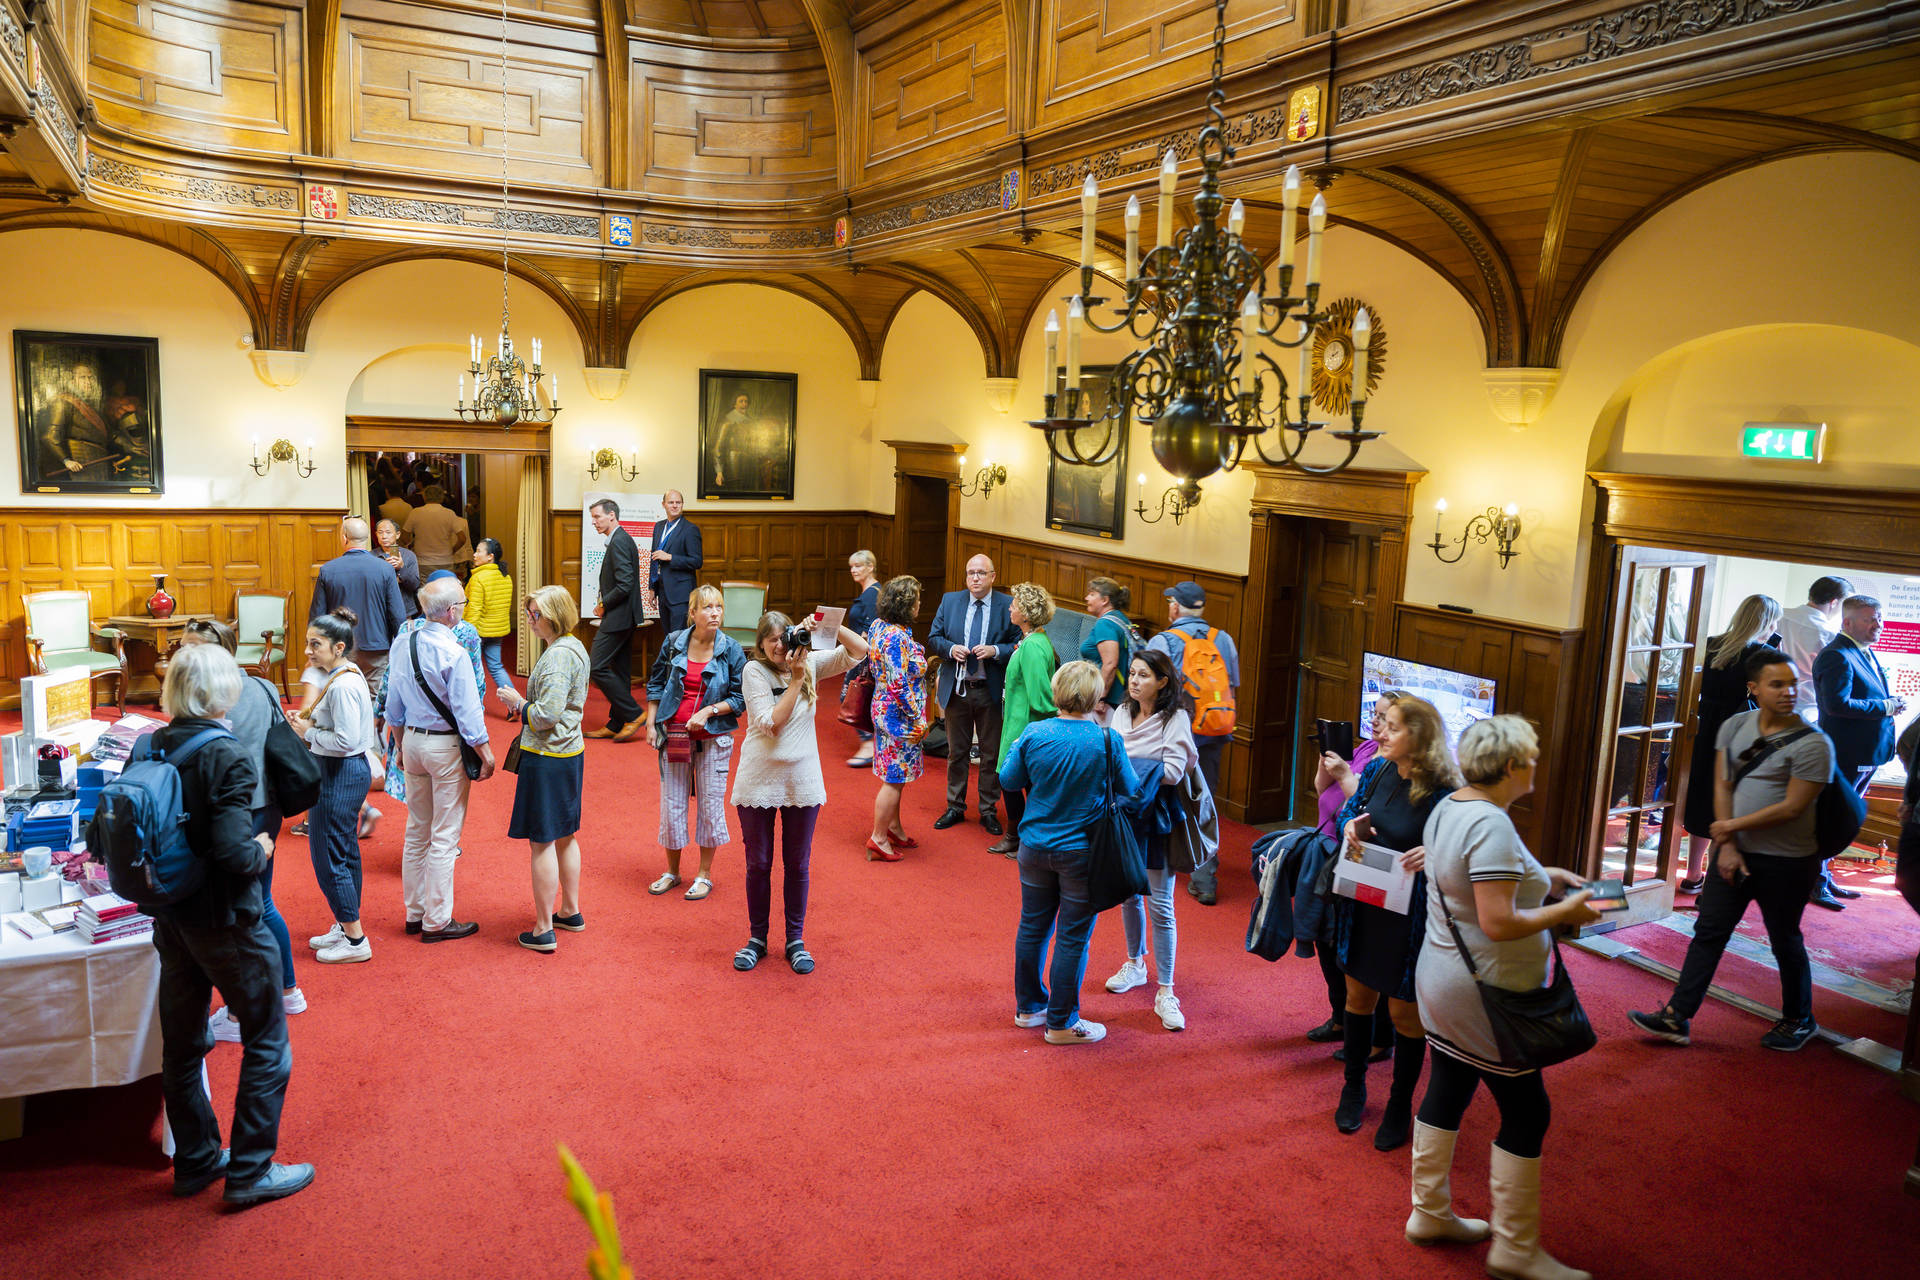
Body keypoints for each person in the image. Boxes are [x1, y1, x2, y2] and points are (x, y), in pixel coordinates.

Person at [1411, 715, 1600, 1279]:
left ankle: (1429, 1214)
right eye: (1533, 756)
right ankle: (1515, 1250)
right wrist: (1565, 911)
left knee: (1447, 1087)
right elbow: (1497, 921)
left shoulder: (1453, 807)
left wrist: (1545, 876)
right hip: (1485, 996)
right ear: (1514, 766)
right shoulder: (1491, 823)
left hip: (1441, 979)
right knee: (1528, 1109)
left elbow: (1476, 881)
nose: (1537, 764)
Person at [145, 643, 312, 1205]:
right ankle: (250, 1172)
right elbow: (235, 855)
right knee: (267, 1038)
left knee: (184, 1044)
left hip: (171, 919)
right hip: (227, 921)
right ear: (223, 691)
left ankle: (195, 1160)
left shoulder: (148, 743)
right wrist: (264, 844)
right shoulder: (228, 754)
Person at [1629, 646, 1833, 1052]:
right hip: (1734, 852)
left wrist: (1730, 828)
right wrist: (1730, 843)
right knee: (1708, 933)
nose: (1788, 692)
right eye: (1777, 684)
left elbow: (1793, 807)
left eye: (1793, 684)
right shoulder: (1736, 726)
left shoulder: (1814, 743)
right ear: (1754, 688)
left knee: (1784, 939)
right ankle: (1677, 1017)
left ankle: (1799, 1019)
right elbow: (1723, 785)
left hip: (1787, 861)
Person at [1329, 695, 1460, 1152]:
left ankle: (1401, 1104)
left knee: (1405, 1014)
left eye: (1391, 727)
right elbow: (1351, 809)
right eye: (1381, 723)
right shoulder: (1382, 770)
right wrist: (1350, 826)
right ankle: (1354, 1087)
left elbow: (1466, 853)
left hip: (1410, 918)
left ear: (1419, 739)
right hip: (1366, 900)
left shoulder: (1445, 792)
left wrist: (1438, 852)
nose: (1379, 733)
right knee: (1358, 995)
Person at [1001, 660, 1142, 1045]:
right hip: (1082, 851)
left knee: (1032, 927)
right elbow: (1131, 789)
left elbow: (1009, 780)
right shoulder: (1107, 740)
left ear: (1057, 691)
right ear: (1096, 697)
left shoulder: (1034, 733)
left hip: (1034, 847)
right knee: (1072, 937)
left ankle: (1029, 1008)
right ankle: (1061, 1023)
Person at [179, 621, 307, 1043]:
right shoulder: (262, 685)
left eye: (192, 648)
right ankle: (288, 990)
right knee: (260, 901)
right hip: (267, 804)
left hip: (236, 811)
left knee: (239, 910)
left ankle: (241, 1013)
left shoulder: (211, 695)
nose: (185, 655)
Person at [730, 609, 870, 973]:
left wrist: (828, 626)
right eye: (773, 639)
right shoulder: (754, 671)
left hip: (802, 780)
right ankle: (756, 939)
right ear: (760, 643)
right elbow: (771, 723)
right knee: (758, 863)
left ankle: (795, 940)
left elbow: (860, 651)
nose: (780, 645)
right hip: (759, 779)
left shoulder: (807, 662)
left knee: (798, 864)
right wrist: (795, 679)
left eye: (785, 637)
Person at [383, 576, 496, 942]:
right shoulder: (454, 653)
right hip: (446, 748)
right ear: (452, 612)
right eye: (461, 604)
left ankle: (415, 913)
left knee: (417, 830)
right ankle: (437, 921)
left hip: (413, 742)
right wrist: (486, 754)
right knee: (444, 837)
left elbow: (393, 707)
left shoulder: (403, 641)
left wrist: (400, 747)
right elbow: (468, 715)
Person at [1105, 650, 1199, 1032]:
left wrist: (1132, 767)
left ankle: (1167, 990)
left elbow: (1175, 772)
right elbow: (1112, 757)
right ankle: (1135, 963)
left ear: (1162, 681)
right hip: (1125, 813)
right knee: (1129, 893)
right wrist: (1144, 766)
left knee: (1161, 905)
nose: (1135, 680)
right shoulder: (1122, 712)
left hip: (1158, 818)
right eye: (1132, 673)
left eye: (1144, 675)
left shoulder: (1175, 717)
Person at [495, 586, 591, 954]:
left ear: (553, 615)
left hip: (548, 756)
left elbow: (546, 716)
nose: (530, 620)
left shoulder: (556, 657)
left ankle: (543, 928)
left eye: (534, 614)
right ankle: (570, 910)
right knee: (566, 834)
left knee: (542, 841)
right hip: (570, 753)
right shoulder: (574, 646)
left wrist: (518, 703)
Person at [1307, 693, 1400, 1064]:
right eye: (1374, 716)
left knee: (1363, 951)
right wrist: (1327, 767)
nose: (1376, 724)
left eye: (1386, 720)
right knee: (1328, 943)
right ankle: (1342, 1018)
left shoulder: (1394, 767)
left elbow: (1364, 811)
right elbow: (1323, 792)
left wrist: (1346, 776)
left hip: (1364, 860)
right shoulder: (1364, 751)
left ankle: (1379, 1037)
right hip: (1328, 853)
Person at [644, 583, 746, 901]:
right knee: (672, 803)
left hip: (714, 738)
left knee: (710, 806)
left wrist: (709, 711)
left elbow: (741, 698)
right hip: (674, 735)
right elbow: (657, 682)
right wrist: (650, 722)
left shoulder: (731, 649)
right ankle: (672, 872)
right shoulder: (675, 643)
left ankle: (703, 874)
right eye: (707, 607)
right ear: (693, 613)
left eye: (718, 607)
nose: (714, 613)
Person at [289, 609, 378, 965]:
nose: (308, 651)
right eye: (308, 643)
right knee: (344, 852)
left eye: (316, 644)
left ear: (338, 647)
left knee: (330, 857)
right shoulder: (345, 674)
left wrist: (305, 732)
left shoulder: (341, 686)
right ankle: (345, 926)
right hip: (345, 771)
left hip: (339, 772)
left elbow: (344, 740)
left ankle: (355, 940)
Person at [1680, 594, 1783, 893]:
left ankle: (1691, 875)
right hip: (1739, 735)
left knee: (1700, 801)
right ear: (1769, 622)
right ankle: (1712, 884)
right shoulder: (1764, 655)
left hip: (1702, 729)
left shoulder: (1710, 644)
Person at [1147, 581, 1241, 905]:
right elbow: (1233, 685)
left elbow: (1150, 691)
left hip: (1173, 731)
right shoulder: (1223, 639)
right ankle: (1204, 880)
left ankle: (1160, 863)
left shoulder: (1164, 640)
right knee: (1204, 800)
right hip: (1213, 733)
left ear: (1175, 607)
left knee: (1162, 794)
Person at [1811, 594, 1905, 909]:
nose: (1879, 624)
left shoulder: (1863, 651)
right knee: (1832, 818)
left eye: (1879, 617)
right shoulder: (1836, 655)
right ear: (1848, 622)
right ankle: (1814, 882)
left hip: (1866, 751)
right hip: (1846, 752)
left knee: (1843, 818)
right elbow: (1837, 705)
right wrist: (1886, 706)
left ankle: (1824, 877)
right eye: (1871, 618)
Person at [375, 572, 484, 810]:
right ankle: (443, 848)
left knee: (418, 808)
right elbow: (476, 687)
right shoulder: (466, 633)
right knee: (447, 809)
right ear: (451, 607)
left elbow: (391, 678)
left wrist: (381, 713)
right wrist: (477, 740)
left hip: (412, 729)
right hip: (450, 733)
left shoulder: (407, 629)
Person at [927, 554, 1018, 835]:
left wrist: (996, 651)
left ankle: (988, 810)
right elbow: (934, 637)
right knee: (957, 752)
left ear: (993, 576)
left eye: (981, 573)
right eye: (970, 573)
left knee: (990, 754)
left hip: (990, 691)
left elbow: (1018, 642)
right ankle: (955, 805)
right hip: (957, 689)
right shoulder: (950, 600)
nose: (975, 578)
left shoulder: (1006, 605)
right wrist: (949, 649)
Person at [992, 582, 1058, 858]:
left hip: (1023, 727)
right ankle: (1022, 837)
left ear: (1027, 614)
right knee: (1025, 784)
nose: (1011, 608)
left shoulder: (1032, 647)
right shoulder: (1036, 640)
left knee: (1010, 781)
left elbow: (1041, 697)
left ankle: (1016, 837)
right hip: (1019, 723)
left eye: (1016, 605)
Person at [864, 575, 928, 862]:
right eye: (916, 599)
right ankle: (878, 838)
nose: (919, 603)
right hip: (897, 717)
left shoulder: (880, 626)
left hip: (885, 709)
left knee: (897, 774)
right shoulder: (896, 636)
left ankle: (894, 827)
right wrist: (917, 718)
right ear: (906, 604)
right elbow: (898, 683)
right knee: (893, 777)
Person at [310, 517, 407, 685]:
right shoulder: (385, 568)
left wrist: (314, 648)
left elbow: (318, 615)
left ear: (344, 537)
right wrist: (401, 647)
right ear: (368, 538)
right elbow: (397, 613)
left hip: (340, 648)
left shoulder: (328, 570)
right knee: (375, 700)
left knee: (342, 695)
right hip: (377, 646)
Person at [586, 499, 645, 741]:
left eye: (597, 517)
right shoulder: (620, 539)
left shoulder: (620, 541)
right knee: (620, 671)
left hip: (619, 616)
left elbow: (625, 584)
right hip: (624, 616)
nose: (594, 522)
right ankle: (615, 723)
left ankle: (633, 714)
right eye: (593, 517)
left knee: (596, 666)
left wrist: (603, 605)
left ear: (611, 516)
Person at [1778, 575, 1853, 719]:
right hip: (1809, 706)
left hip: (1773, 699)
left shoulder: (1780, 616)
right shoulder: (1830, 634)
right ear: (1834, 602)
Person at [843, 549, 882, 768]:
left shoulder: (873, 594)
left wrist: (855, 650)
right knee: (855, 697)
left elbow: (870, 628)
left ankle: (869, 744)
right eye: (851, 567)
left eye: (858, 566)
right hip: (858, 652)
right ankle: (870, 742)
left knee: (851, 697)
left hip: (863, 655)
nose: (853, 570)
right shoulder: (869, 592)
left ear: (870, 566)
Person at [464, 536, 516, 700]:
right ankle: (514, 703)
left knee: (471, 669)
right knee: (496, 666)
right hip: (497, 630)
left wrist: (466, 632)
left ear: (490, 557)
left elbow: (474, 609)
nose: (474, 554)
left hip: (478, 631)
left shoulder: (478, 578)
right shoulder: (505, 576)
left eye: (479, 551)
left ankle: (473, 705)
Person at [647, 490, 704, 635]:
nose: (674, 505)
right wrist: (652, 588)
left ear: (682, 505)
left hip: (681, 595)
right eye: (671, 502)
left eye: (678, 502)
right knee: (668, 637)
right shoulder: (658, 527)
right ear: (663, 505)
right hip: (662, 592)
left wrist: (671, 557)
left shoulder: (690, 529)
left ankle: (677, 659)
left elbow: (697, 561)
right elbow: (654, 558)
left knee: (679, 639)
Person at [1080, 577, 1133, 715]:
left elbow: (1110, 664)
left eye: (1092, 594)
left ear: (1105, 600)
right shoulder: (1121, 618)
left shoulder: (1105, 624)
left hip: (1109, 701)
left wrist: (1100, 697)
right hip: (1121, 697)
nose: (1086, 598)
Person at [401, 484, 473, 580]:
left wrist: (411, 546)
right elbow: (462, 538)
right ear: (441, 498)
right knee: (445, 590)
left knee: (425, 590)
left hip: (423, 561)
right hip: (445, 560)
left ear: (424, 497)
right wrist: (452, 551)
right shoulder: (449, 513)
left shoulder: (415, 512)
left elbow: (404, 536)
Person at [374, 518, 422, 620]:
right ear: (376, 534)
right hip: (379, 609)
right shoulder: (371, 556)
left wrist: (402, 568)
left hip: (404, 608)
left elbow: (415, 585)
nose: (384, 536)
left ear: (397, 534)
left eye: (388, 532)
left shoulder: (408, 555)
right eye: (380, 533)